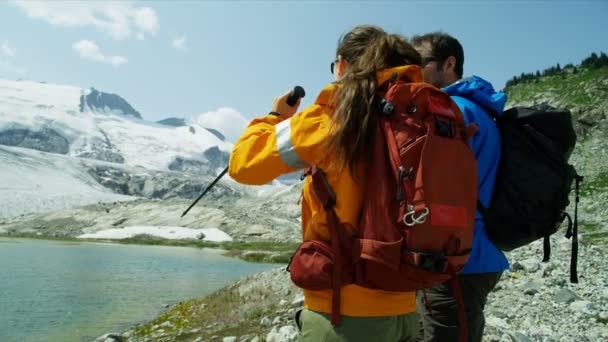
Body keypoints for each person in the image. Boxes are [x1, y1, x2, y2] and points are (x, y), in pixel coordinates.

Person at [229, 25, 422, 342]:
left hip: (344, 313)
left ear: (342, 66)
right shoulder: (422, 114)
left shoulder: (329, 117)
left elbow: (243, 165)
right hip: (406, 307)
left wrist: (275, 116)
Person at [410, 32, 510, 342]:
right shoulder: (476, 109)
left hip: (455, 260)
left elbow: (432, 188)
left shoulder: (450, 111)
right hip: (476, 252)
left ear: (448, 63)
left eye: (419, 64)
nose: (412, 72)